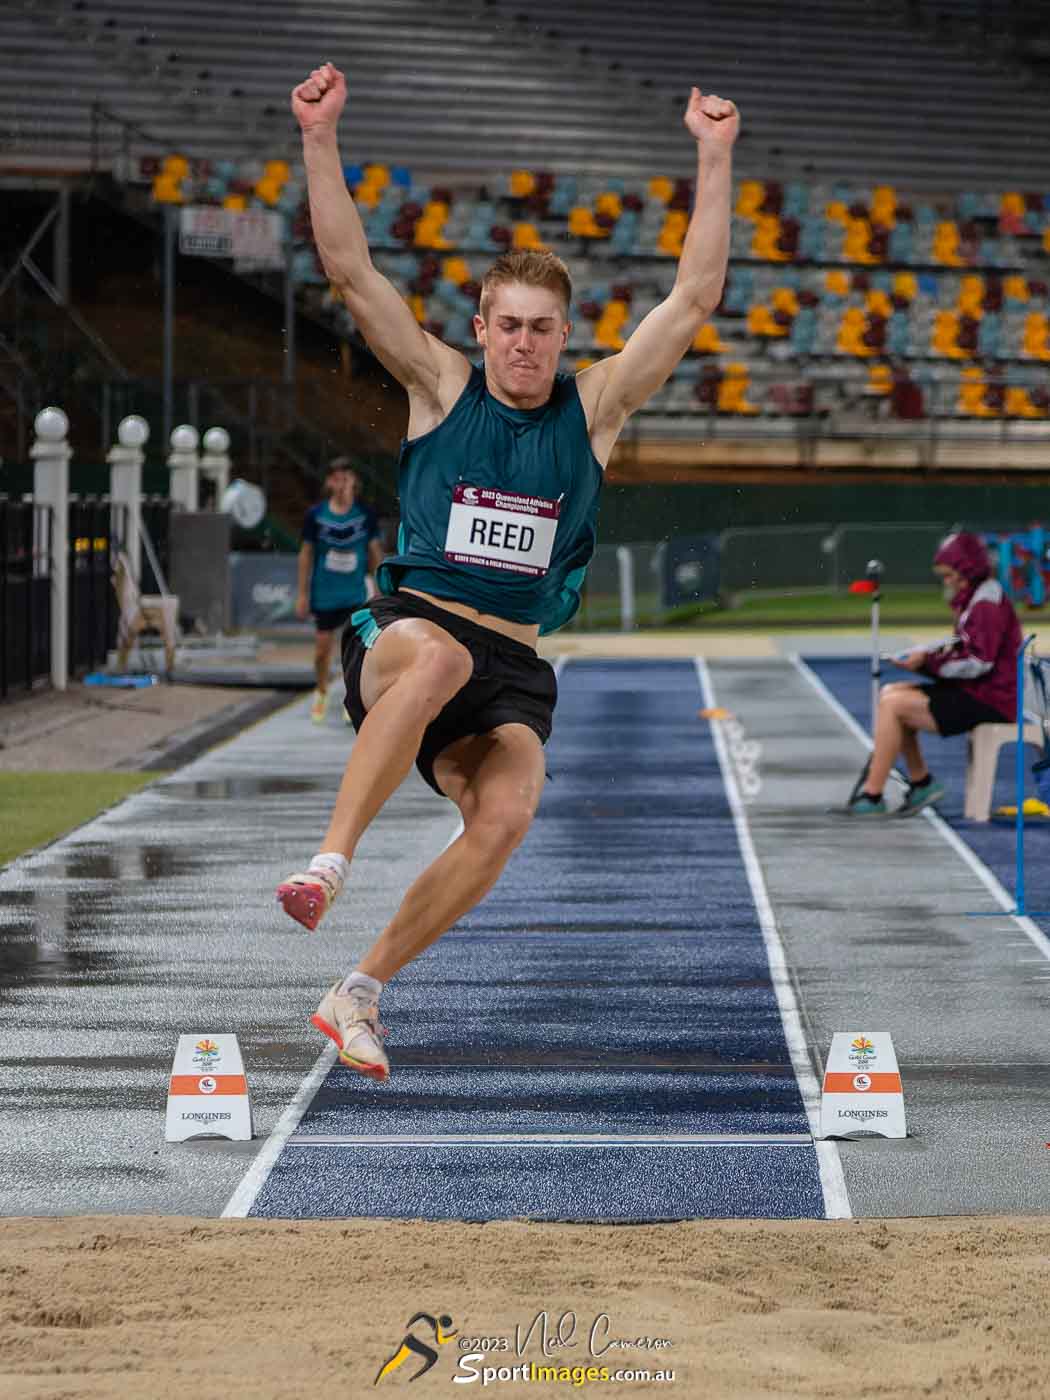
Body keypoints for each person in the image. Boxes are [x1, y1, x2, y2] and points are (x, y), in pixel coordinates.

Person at [277, 61, 739, 1080]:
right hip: (404, 637)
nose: (525, 344)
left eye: (543, 328)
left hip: (514, 666)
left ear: (563, 335)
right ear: (480, 328)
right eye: (509, 326)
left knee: (509, 811)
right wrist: (319, 138)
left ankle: (359, 990)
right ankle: (328, 862)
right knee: (436, 658)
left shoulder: (596, 407)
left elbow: (695, 295)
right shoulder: (440, 385)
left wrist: (714, 154)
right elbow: (353, 274)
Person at [844, 531, 1022, 817]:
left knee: (894, 704)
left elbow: (978, 662)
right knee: (890, 693)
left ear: (968, 570)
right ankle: (920, 783)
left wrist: (927, 663)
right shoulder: (977, 598)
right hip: (982, 692)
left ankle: (874, 794)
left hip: (991, 700)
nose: (947, 581)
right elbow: (965, 648)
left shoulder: (985, 605)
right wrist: (927, 655)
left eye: (951, 574)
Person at [296, 458, 384, 723]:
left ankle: (352, 697)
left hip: (355, 594)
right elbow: (306, 554)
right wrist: (302, 593)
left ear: (355, 482)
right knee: (322, 650)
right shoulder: (316, 516)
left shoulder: (366, 515)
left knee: (355, 651)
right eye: (336, 477)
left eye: (347, 476)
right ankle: (321, 690)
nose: (342, 481)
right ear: (329, 482)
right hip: (325, 594)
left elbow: (375, 552)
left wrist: (380, 589)